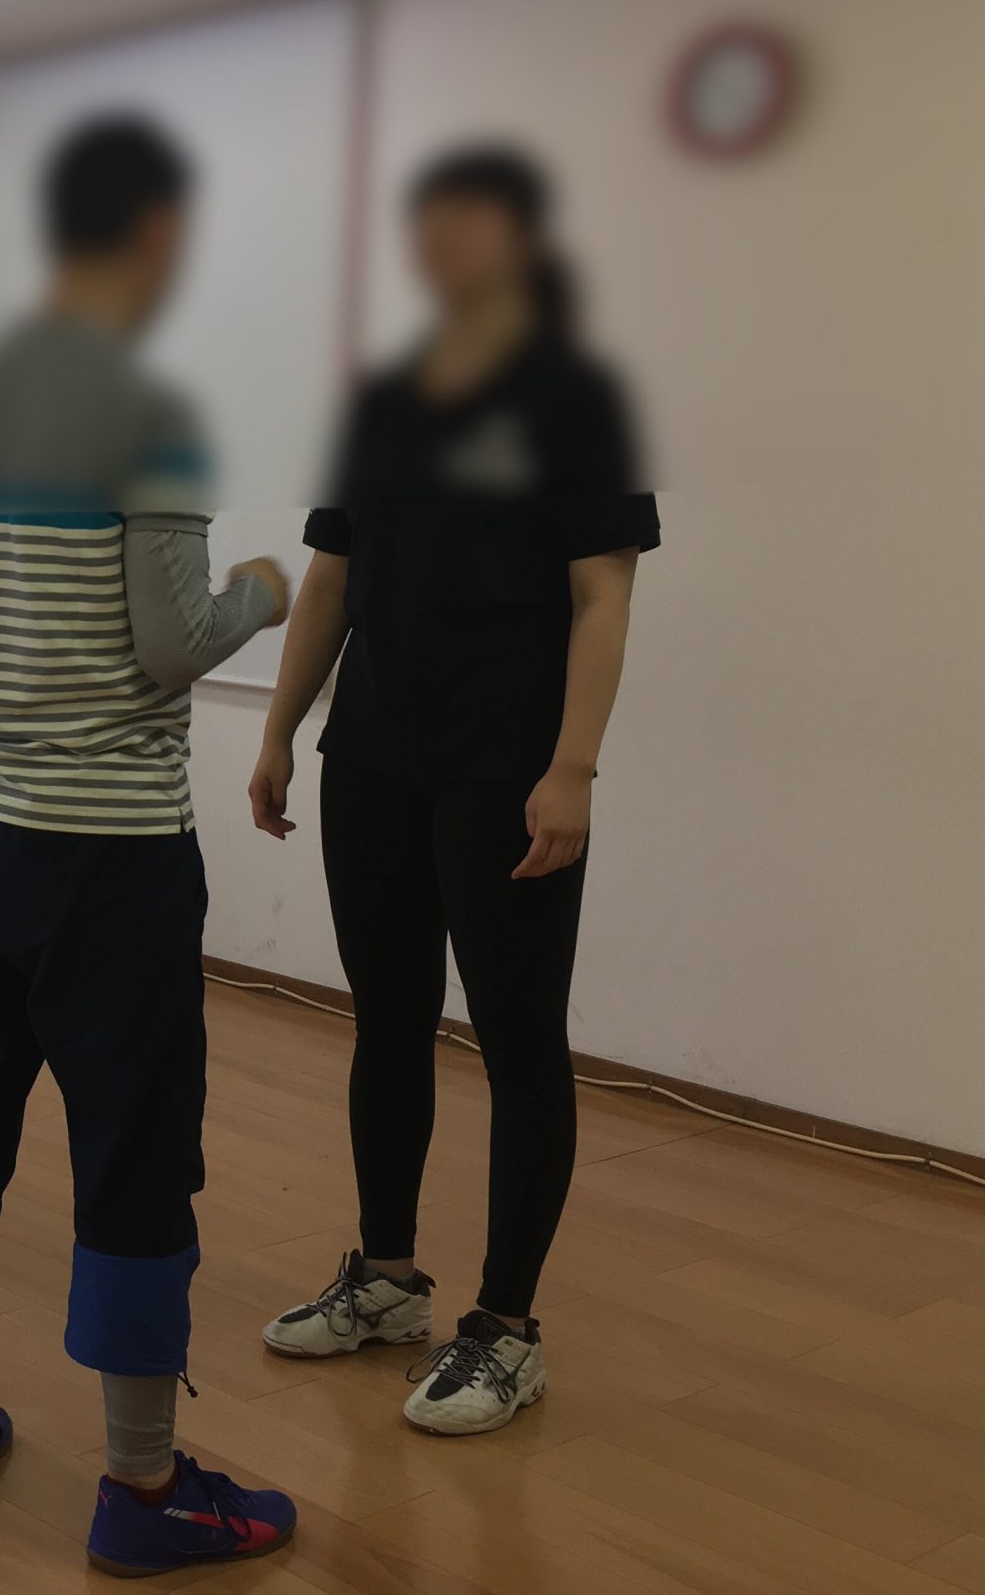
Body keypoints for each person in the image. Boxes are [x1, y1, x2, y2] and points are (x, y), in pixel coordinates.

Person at [0, 115, 301, 1576]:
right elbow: (173, 645)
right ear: (158, 236)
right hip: (107, 855)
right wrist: (262, 589)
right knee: (133, 1147)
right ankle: (142, 1485)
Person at [251, 145, 658, 1435]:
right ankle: (384, 1280)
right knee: (386, 1021)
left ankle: (508, 1329)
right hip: (371, 758)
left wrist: (571, 767)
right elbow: (330, 578)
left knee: (519, 1043)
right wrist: (279, 729)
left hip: (507, 772)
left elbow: (602, 597)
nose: (439, 247)